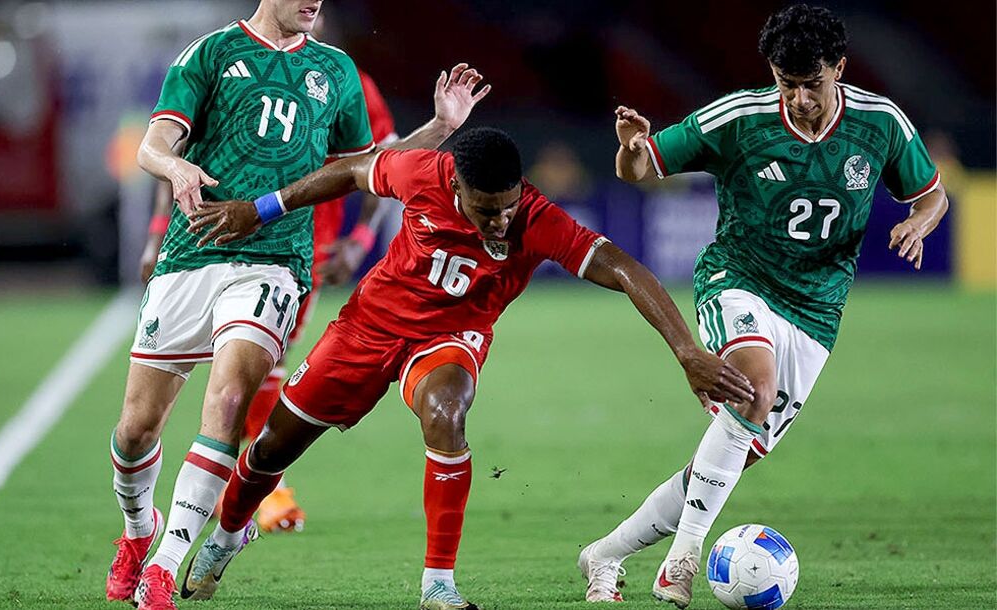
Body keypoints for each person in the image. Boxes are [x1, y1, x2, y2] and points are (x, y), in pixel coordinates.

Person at [183, 127, 755, 609]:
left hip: (450, 338)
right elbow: (355, 171)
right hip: (366, 328)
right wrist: (262, 210)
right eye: (487, 210)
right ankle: (229, 534)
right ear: (455, 183)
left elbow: (624, 267)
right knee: (271, 449)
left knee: (446, 412)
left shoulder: (535, 217)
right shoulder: (420, 172)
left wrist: (686, 350)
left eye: (508, 207)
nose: (501, 222)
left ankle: (439, 584)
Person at [105, 1, 490, 607]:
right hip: (192, 252)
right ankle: (138, 532)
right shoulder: (210, 53)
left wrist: (441, 128)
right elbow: (151, 147)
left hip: (277, 262)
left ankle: (166, 565)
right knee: (134, 431)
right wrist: (175, 167)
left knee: (231, 398)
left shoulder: (336, 72)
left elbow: (368, 168)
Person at [576, 5, 949, 606]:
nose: (799, 98)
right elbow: (641, 169)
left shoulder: (880, 123)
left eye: (813, 83)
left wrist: (919, 223)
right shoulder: (739, 116)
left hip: (817, 311)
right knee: (754, 387)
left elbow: (932, 195)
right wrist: (630, 149)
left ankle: (606, 553)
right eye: (787, 83)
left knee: (733, 455)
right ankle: (682, 561)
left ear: (840, 69)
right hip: (739, 277)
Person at [137, 67, 399, 535]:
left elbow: (378, 161)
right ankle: (193, 503)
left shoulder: (346, 78)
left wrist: (360, 237)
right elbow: (173, 147)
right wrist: (158, 233)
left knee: (256, 373)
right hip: (203, 245)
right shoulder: (225, 59)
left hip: (293, 255)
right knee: (143, 420)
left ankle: (256, 495)